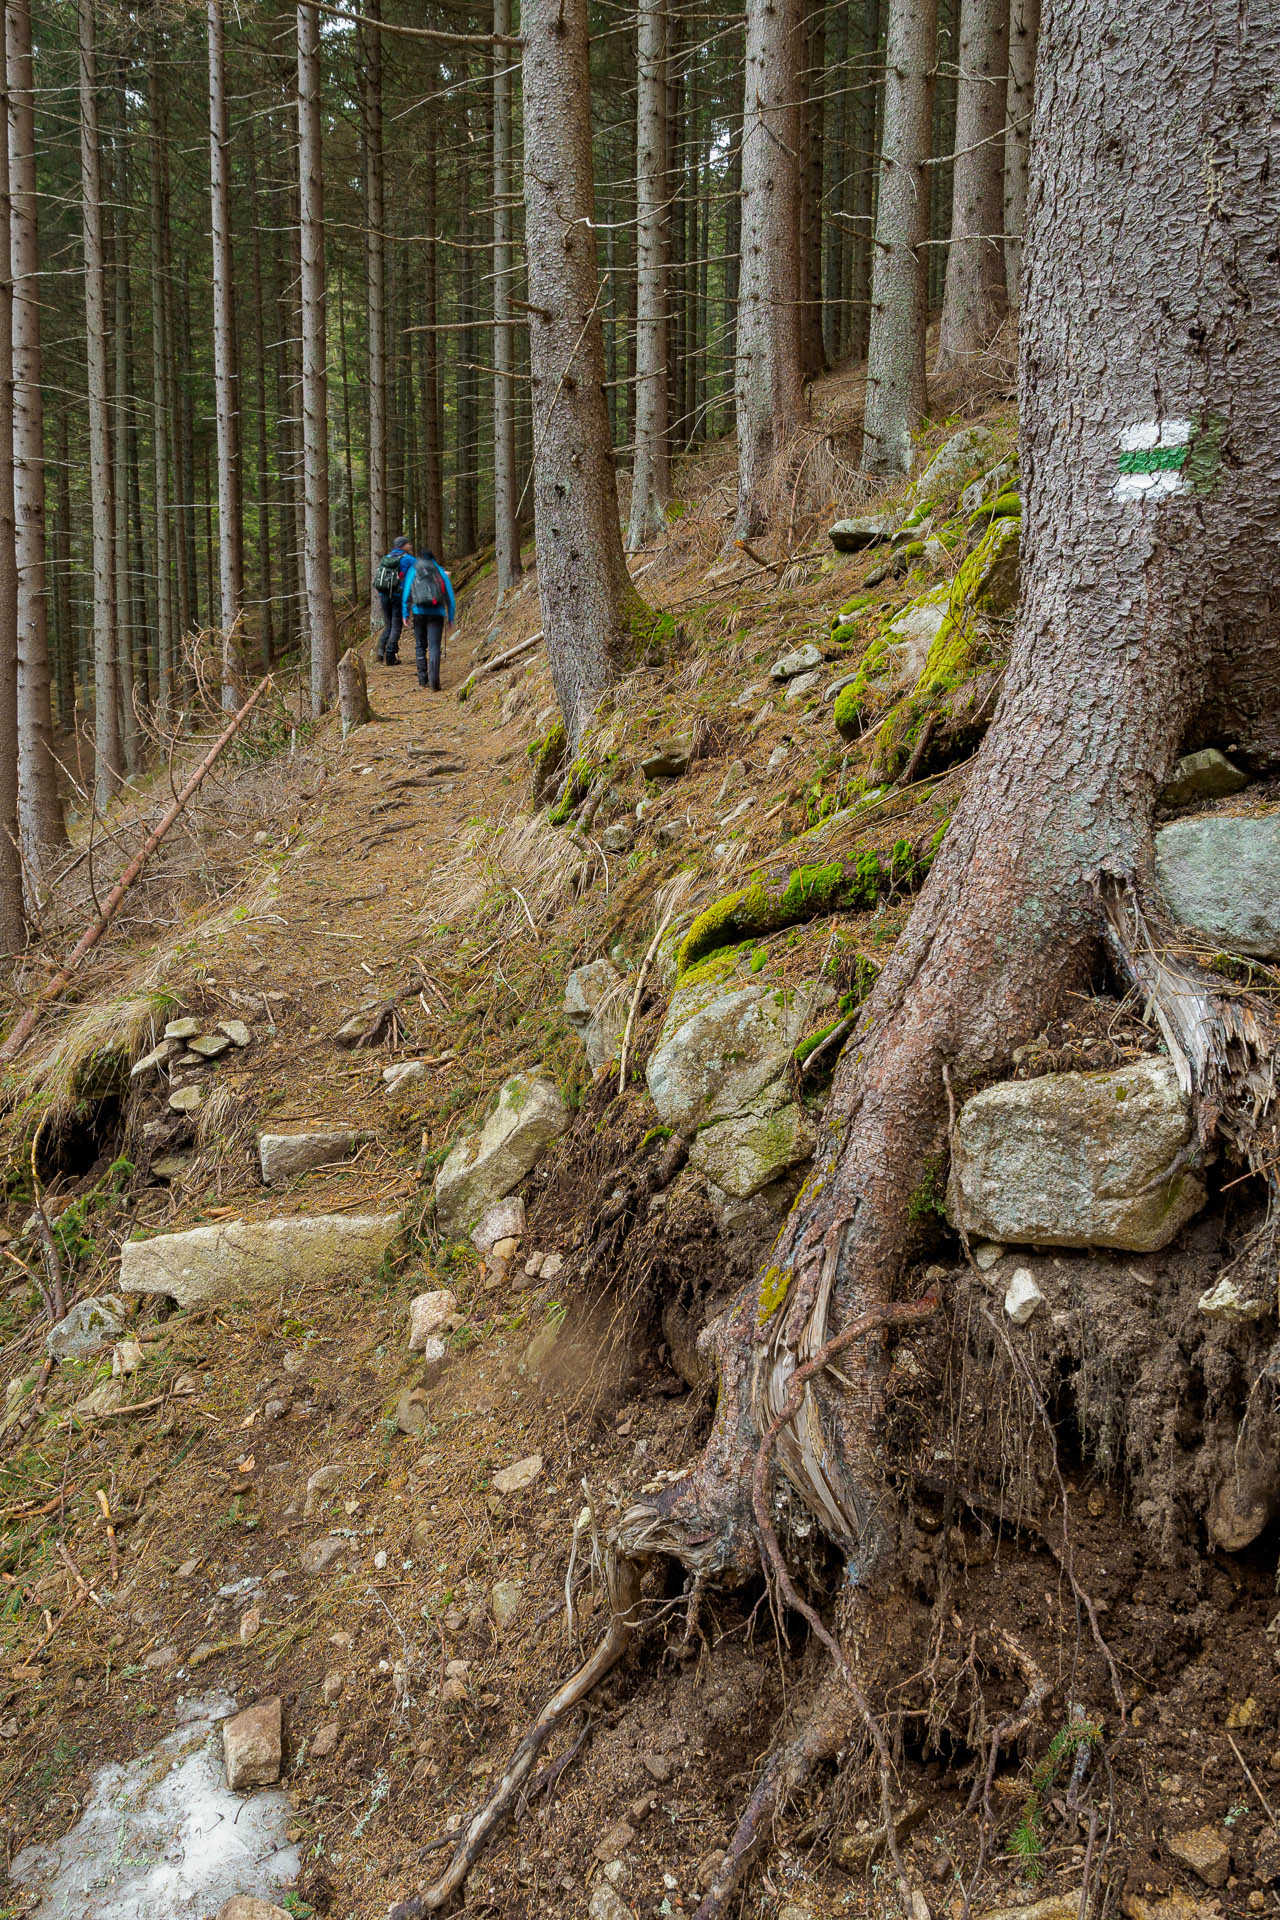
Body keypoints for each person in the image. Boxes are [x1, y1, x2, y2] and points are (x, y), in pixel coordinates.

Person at [401, 549, 457, 691]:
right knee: (434, 647)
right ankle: (434, 682)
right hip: (437, 613)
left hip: (418, 612)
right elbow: (449, 596)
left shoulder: (414, 570)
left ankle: (422, 679)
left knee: (420, 646)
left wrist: (405, 613)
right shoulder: (438, 570)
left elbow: (407, 592)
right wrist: (450, 617)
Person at [373, 535, 412, 665]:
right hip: (397, 595)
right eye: (408, 544)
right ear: (403, 546)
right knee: (396, 625)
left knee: (388, 624)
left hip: (383, 595)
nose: (410, 546)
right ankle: (390, 657)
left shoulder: (388, 558)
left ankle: (380, 650)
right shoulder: (407, 559)